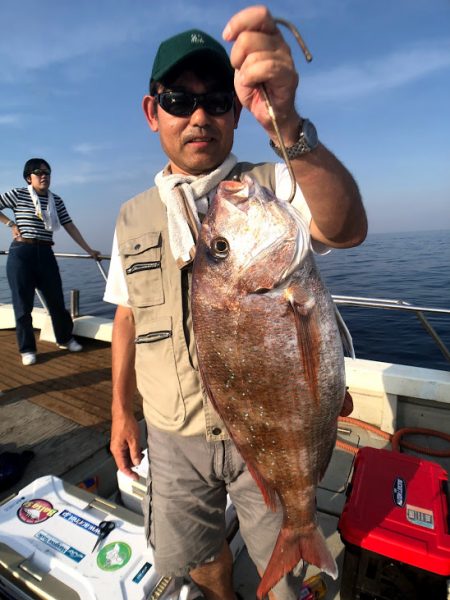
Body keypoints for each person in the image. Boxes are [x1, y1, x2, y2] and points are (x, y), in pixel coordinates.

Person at [104, 6, 367, 600]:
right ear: (153, 112)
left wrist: (289, 121)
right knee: (198, 556)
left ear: (235, 114)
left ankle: (292, 551)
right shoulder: (131, 217)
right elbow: (126, 315)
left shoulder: (267, 190)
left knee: (286, 580)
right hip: (172, 435)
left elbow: (346, 226)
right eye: (178, 100)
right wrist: (122, 410)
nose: (199, 115)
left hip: (265, 441)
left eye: (217, 101)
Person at [0, 158, 101, 366]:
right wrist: (10, 223)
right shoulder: (18, 194)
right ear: (29, 177)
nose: (44, 176)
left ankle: (65, 338)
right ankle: (27, 348)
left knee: (56, 301)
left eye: (47, 172)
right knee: (22, 305)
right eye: (39, 172)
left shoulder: (57, 201)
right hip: (21, 253)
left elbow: (70, 226)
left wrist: (89, 249)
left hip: (45, 253)